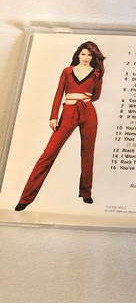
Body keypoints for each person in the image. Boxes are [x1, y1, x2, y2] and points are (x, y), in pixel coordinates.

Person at [15, 41, 106, 211]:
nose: (86, 57)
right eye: (83, 54)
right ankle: (25, 198)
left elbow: (96, 96)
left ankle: (86, 193)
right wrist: (53, 116)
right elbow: (59, 94)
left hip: (88, 112)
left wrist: (83, 99)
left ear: (93, 57)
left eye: (89, 55)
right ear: (78, 55)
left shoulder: (96, 74)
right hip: (69, 112)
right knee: (48, 154)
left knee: (88, 153)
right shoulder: (67, 71)